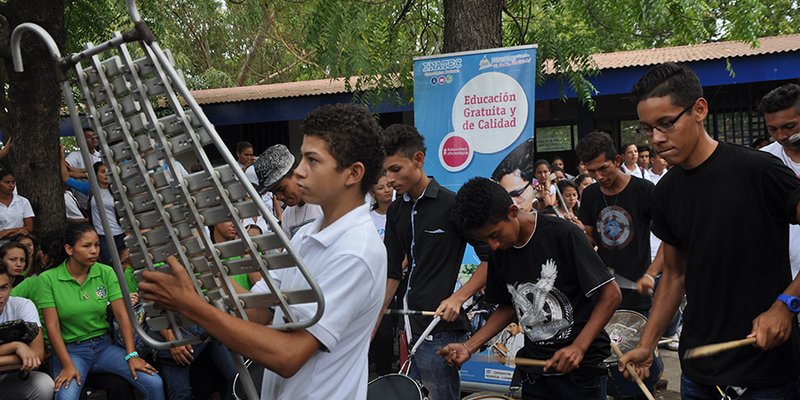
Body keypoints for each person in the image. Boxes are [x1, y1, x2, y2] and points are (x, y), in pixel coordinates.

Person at [139, 103, 387, 400]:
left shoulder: (356, 251)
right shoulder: (308, 234)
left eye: (312, 160)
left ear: (352, 173)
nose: (300, 171)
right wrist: (202, 273)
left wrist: (191, 305)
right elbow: (260, 312)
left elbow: (289, 356)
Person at [618, 62, 800, 399]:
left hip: (766, 373)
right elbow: (673, 276)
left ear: (699, 109)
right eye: (646, 128)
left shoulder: (758, 170)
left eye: (666, 123)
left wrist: (786, 304)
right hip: (699, 374)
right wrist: (647, 344)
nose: (656, 138)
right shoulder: (666, 191)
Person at [440, 177, 621, 400]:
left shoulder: (563, 234)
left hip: (581, 373)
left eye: (495, 235)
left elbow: (611, 294)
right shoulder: (499, 250)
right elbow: (508, 306)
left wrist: (578, 347)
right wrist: (469, 346)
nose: (493, 245)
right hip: (536, 372)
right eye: (485, 240)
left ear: (513, 211)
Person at [380, 123, 489, 399]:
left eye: (395, 169)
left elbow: (492, 259)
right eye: (385, 171)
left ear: (418, 159)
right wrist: (375, 318)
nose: (389, 179)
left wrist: (458, 298)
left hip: (440, 330)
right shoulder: (395, 211)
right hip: (405, 327)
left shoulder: (451, 205)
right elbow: (392, 271)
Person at [39, 223, 163, 400]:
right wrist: (67, 364)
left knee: (154, 382)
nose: (94, 251)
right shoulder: (48, 279)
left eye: (97, 245)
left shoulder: (105, 272)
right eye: (86, 246)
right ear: (69, 249)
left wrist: (132, 354)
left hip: (103, 347)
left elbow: (122, 315)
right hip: (71, 351)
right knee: (66, 397)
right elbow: (52, 325)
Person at [576, 131, 656, 315]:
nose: (599, 177)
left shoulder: (644, 190)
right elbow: (590, 240)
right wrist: (578, 233)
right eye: (591, 171)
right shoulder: (590, 194)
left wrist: (651, 275)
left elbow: (670, 239)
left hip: (638, 288)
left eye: (603, 168)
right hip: (604, 288)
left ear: (617, 161)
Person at [758, 83, 800, 278]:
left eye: (789, 127)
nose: (782, 136)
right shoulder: (763, 161)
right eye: (773, 130)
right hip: (783, 279)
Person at [0, 263, 54, 400]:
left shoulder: (22, 305)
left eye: (3, 288)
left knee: (44, 384)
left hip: (10, 378)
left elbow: (37, 355)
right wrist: (16, 346)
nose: (0, 295)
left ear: (11, 287)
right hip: (14, 368)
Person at [251, 144, 323, 239]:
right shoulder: (287, 216)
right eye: (274, 193)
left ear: (296, 174)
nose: (279, 197)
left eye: (281, 189)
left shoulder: (326, 203)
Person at [90, 162, 126, 265]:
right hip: (102, 235)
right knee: (110, 265)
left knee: (125, 263)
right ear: (95, 174)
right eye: (102, 172)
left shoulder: (118, 190)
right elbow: (67, 179)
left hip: (119, 233)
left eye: (108, 172)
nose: (106, 174)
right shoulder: (91, 189)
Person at [0, 168, 34, 243]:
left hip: (19, 240)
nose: (11, 185)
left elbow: (29, 227)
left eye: (13, 182)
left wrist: (7, 232)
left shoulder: (23, 201)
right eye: (7, 182)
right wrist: (16, 231)